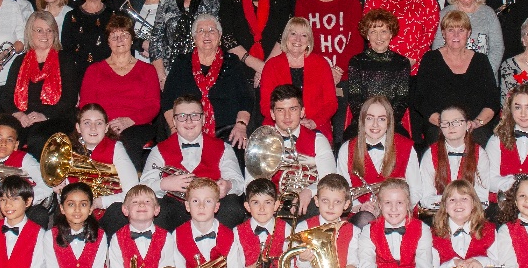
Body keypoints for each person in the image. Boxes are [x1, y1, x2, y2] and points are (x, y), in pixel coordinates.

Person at [141, 95, 248, 228]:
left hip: (212, 209)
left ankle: (219, 247)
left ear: (203, 119)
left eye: (195, 115)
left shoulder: (223, 148)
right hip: (175, 209)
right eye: (182, 116)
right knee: (158, 209)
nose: (189, 121)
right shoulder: (159, 150)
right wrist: (164, 184)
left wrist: (228, 185)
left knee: (232, 207)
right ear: (174, 121)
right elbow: (144, 187)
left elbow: (238, 182)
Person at [0, 11, 84, 149]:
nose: (45, 35)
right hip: (23, 117)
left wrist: (44, 115)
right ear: (31, 32)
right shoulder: (20, 61)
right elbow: (6, 97)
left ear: (55, 33)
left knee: (37, 138)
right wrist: (18, 115)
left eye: (49, 30)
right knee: (2, 135)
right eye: (39, 30)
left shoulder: (65, 60)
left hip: (55, 118)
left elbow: (69, 99)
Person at [160, 15, 254, 147]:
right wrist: (174, 129)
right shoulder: (181, 62)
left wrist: (241, 125)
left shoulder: (232, 62)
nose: (206, 35)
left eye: (211, 30)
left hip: (227, 131)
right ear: (194, 38)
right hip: (187, 128)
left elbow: (245, 98)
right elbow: (168, 100)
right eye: (201, 31)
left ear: (219, 36)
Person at [79, 17, 162, 164]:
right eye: (114, 36)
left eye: (124, 35)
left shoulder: (148, 70)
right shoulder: (94, 70)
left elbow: (153, 106)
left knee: (128, 140)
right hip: (101, 126)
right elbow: (86, 105)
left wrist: (130, 121)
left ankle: (128, 185)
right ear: (108, 42)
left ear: (132, 40)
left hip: (137, 126)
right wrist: (103, 124)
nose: (119, 40)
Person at [413, 10, 501, 145]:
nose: (456, 35)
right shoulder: (430, 59)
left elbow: (492, 100)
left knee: (481, 139)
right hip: (439, 125)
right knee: (437, 140)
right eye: (450, 30)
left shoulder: (481, 61)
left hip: (474, 126)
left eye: (461, 30)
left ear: (469, 33)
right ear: (443, 33)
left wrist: (477, 123)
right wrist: (444, 123)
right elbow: (420, 99)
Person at [338, 97, 422, 223]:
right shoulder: (347, 149)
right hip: (363, 215)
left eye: (381, 119)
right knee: (364, 219)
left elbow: (416, 190)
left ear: (389, 122)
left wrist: (393, 209)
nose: (375, 124)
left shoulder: (406, 147)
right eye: (370, 118)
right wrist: (360, 207)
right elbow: (342, 191)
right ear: (362, 121)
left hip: (399, 213)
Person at [262, 85, 338, 217]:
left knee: (319, 205)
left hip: (306, 204)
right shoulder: (261, 141)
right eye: (280, 110)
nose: (287, 116)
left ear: (302, 112)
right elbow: (252, 182)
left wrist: (309, 191)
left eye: (293, 109)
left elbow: (329, 179)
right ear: (272, 114)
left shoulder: (318, 140)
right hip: (271, 204)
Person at [72, 104, 143, 234]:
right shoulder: (68, 151)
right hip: (78, 211)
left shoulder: (116, 148)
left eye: (99, 123)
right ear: (78, 127)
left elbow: (132, 191)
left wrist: (101, 202)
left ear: (106, 128)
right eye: (87, 123)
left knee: (117, 212)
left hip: (108, 211)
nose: (93, 128)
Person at [152, 0, 223, 80]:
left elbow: (217, 37)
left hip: (205, 70)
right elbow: (156, 39)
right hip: (171, 72)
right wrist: (161, 75)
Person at [342, 9, 412, 139]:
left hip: (392, 123)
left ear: (391, 34)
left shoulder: (402, 62)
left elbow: (402, 100)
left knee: (404, 142)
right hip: (362, 122)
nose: (379, 38)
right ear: (367, 36)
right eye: (373, 32)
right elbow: (354, 99)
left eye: (383, 31)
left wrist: (386, 124)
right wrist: (368, 123)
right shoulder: (356, 61)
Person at [481, 84, 528, 204]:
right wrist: (513, 183)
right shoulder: (496, 141)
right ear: (510, 110)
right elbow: (488, 180)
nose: (523, 114)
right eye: (518, 107)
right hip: (500, 208)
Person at [418, 106, 493, 213]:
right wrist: (453, 204)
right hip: (439, 214)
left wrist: (457, 205)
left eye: (456, 122)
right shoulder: (430, 154)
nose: (450, 127)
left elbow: (482, 197)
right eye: (445, 123)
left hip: (471, 215)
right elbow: (426, 197)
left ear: (468, 125)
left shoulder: (480, 154)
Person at [0, 117, 49, 218]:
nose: (3, 143)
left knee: (39, 213)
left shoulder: (25, 159)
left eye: (9, 140)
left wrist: (22, 203)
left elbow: (46, 184)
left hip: (20, 212)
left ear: (16, 145)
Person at [437, 0, 503, 73]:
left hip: (483, 75)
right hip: (451, 75)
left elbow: (497, 47)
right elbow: (438, 47)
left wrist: (485, 73)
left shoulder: (488, 14)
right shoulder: (445, 14)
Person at [62, 0, 118, 66]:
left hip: (109, 72)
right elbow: (67, 51)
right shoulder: (71, 16)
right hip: (79, 73)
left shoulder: (115, 16)